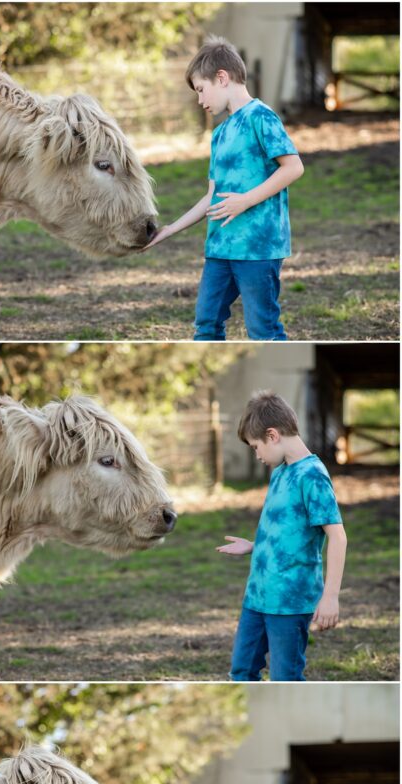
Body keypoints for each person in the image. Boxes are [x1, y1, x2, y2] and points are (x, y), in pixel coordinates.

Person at [142, 36, 304, 340]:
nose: (201, 101)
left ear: (222, 77)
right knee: (206, 323)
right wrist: (168, 231)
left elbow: (294, 167)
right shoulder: (218, 134)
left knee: (262, 329)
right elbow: (210, 197)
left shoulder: (262, 117)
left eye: (201, 90)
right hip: (219, 248)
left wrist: (245, 201)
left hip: (258, 249)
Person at [217, 390, 347, 681]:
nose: (257, 455)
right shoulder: (280, 471)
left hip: (290, 602)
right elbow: (288, 529)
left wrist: (331, 597)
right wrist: (255, 546)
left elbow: (338, 537)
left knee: (284, 677)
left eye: (255, 446)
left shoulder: (312, 476)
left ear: (272, 435)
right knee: (241, 670)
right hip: (257, 596)